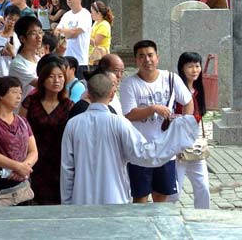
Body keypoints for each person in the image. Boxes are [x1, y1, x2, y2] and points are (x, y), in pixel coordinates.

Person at [61, 71, 198, 205]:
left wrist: (67, 203)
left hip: (81, 199)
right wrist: (177, 132)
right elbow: (145, 154)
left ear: (88, 94)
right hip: (114, 198)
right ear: (112, 94)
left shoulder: (73, 124)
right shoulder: (119, 123)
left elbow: (67, 168)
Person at [120, 40, 194, 203]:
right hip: (139, 151)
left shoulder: (171, 78)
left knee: (162, 198)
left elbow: (188, 102)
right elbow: (129, 114)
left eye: (150, 55)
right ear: (136, 60)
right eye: (141, 56)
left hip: (166, 151)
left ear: (157, 57)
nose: (147, 60)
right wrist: (153, 108)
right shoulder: (129, 84)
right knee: (140, 198)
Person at [0, 76, 38, 207]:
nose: (19, 96)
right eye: (14, 92)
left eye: (20, 93)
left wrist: (25, 167)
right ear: (1, 95)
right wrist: (17, 167)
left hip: (21, 182)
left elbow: (33, 151)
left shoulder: (22, 121)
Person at [19, 58, 73, 205]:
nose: (57, 80)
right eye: (51, 76)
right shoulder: (31, 101)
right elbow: (20, 130)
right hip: (34, 158)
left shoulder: (68, 106)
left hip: (59, 161)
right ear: (42, 80)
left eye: (60, 76)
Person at [170, 52, 211, 209]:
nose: (195, 70)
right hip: (177, 149)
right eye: (190, 66)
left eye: (197, 65)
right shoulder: (175, 91)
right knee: (175, 191)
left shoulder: (199, 89)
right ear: (182, 68)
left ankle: (203, 218)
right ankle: (168, 219)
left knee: (203, 188)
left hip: (195, 148)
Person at [55, 0, 92, 78]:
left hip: (80, 61)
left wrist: (63, 32)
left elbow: (75, 32)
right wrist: (66, 34)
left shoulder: (85, 14)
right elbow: (56, 32)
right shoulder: (66, 15)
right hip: (65, 59)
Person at [9, 16, 43, 97]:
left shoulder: (39, 60)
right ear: (22, 38)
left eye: (40, 32)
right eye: (33, 33)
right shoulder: (17, 64)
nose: (39, 37)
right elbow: (42, 85)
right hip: (23, 109)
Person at [0, 5, 21, 78]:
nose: (12, 22)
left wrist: (12, 53)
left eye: (15, 20)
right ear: (4, 18)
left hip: (12, 78)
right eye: (10, 19)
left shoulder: (19, 39)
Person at [89, 0, 113, 66]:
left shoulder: (104, 25)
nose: (91, 14)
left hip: (100, 59)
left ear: (98, 13)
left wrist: (84, 35)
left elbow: (96, 42)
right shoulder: (96, 23)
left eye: (92, 12)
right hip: (92, 58)